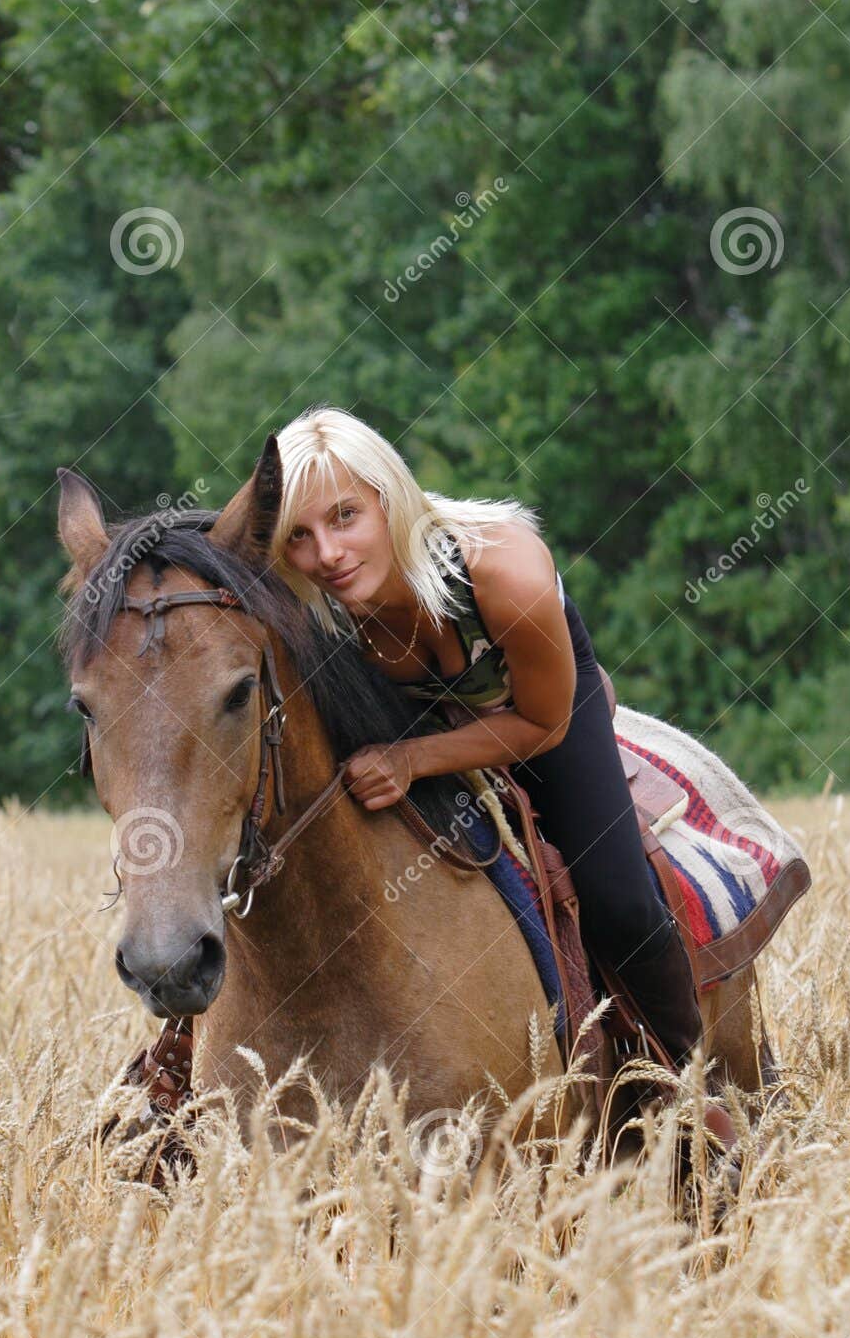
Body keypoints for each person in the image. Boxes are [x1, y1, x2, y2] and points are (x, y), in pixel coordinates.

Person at [270, 404, 706, 1073]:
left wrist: (409, 760)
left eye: (345, 517)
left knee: (616, 894)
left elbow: (544, 723)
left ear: (389, 500)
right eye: (298, 535)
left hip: (536, 710)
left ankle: (681, 1081)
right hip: (407, 716)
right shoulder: (306, 606)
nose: (326, 555)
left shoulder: (502, 571)